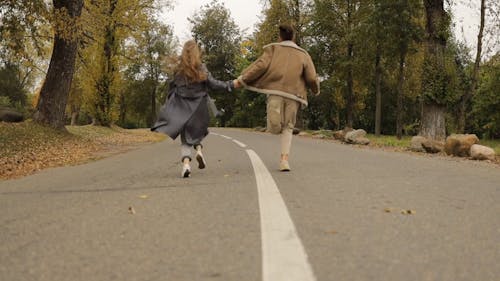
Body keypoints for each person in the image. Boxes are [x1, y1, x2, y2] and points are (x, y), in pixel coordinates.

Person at [234, 24, 320, 171]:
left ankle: (284, 160)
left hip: (278, 93)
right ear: (293, 37)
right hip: (293, 95)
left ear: (280, 37)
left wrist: (242, 79)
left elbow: (259, 66)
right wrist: (315, 89)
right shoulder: (304, 54)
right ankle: (284, 158)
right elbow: (312, 77)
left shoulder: (274, 49)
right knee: (286, 127)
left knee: (278, 127)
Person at [151, 40, 234, 178]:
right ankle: (199, 151)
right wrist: (229, 85)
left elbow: (171, 88)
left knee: (185, 138)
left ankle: (186, 164)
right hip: (199, 107)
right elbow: (213, 84)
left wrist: (169, 106)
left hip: (183, 108)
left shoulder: (179, 70)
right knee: (199, 131)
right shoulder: (201, 68)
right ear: (197, 52)